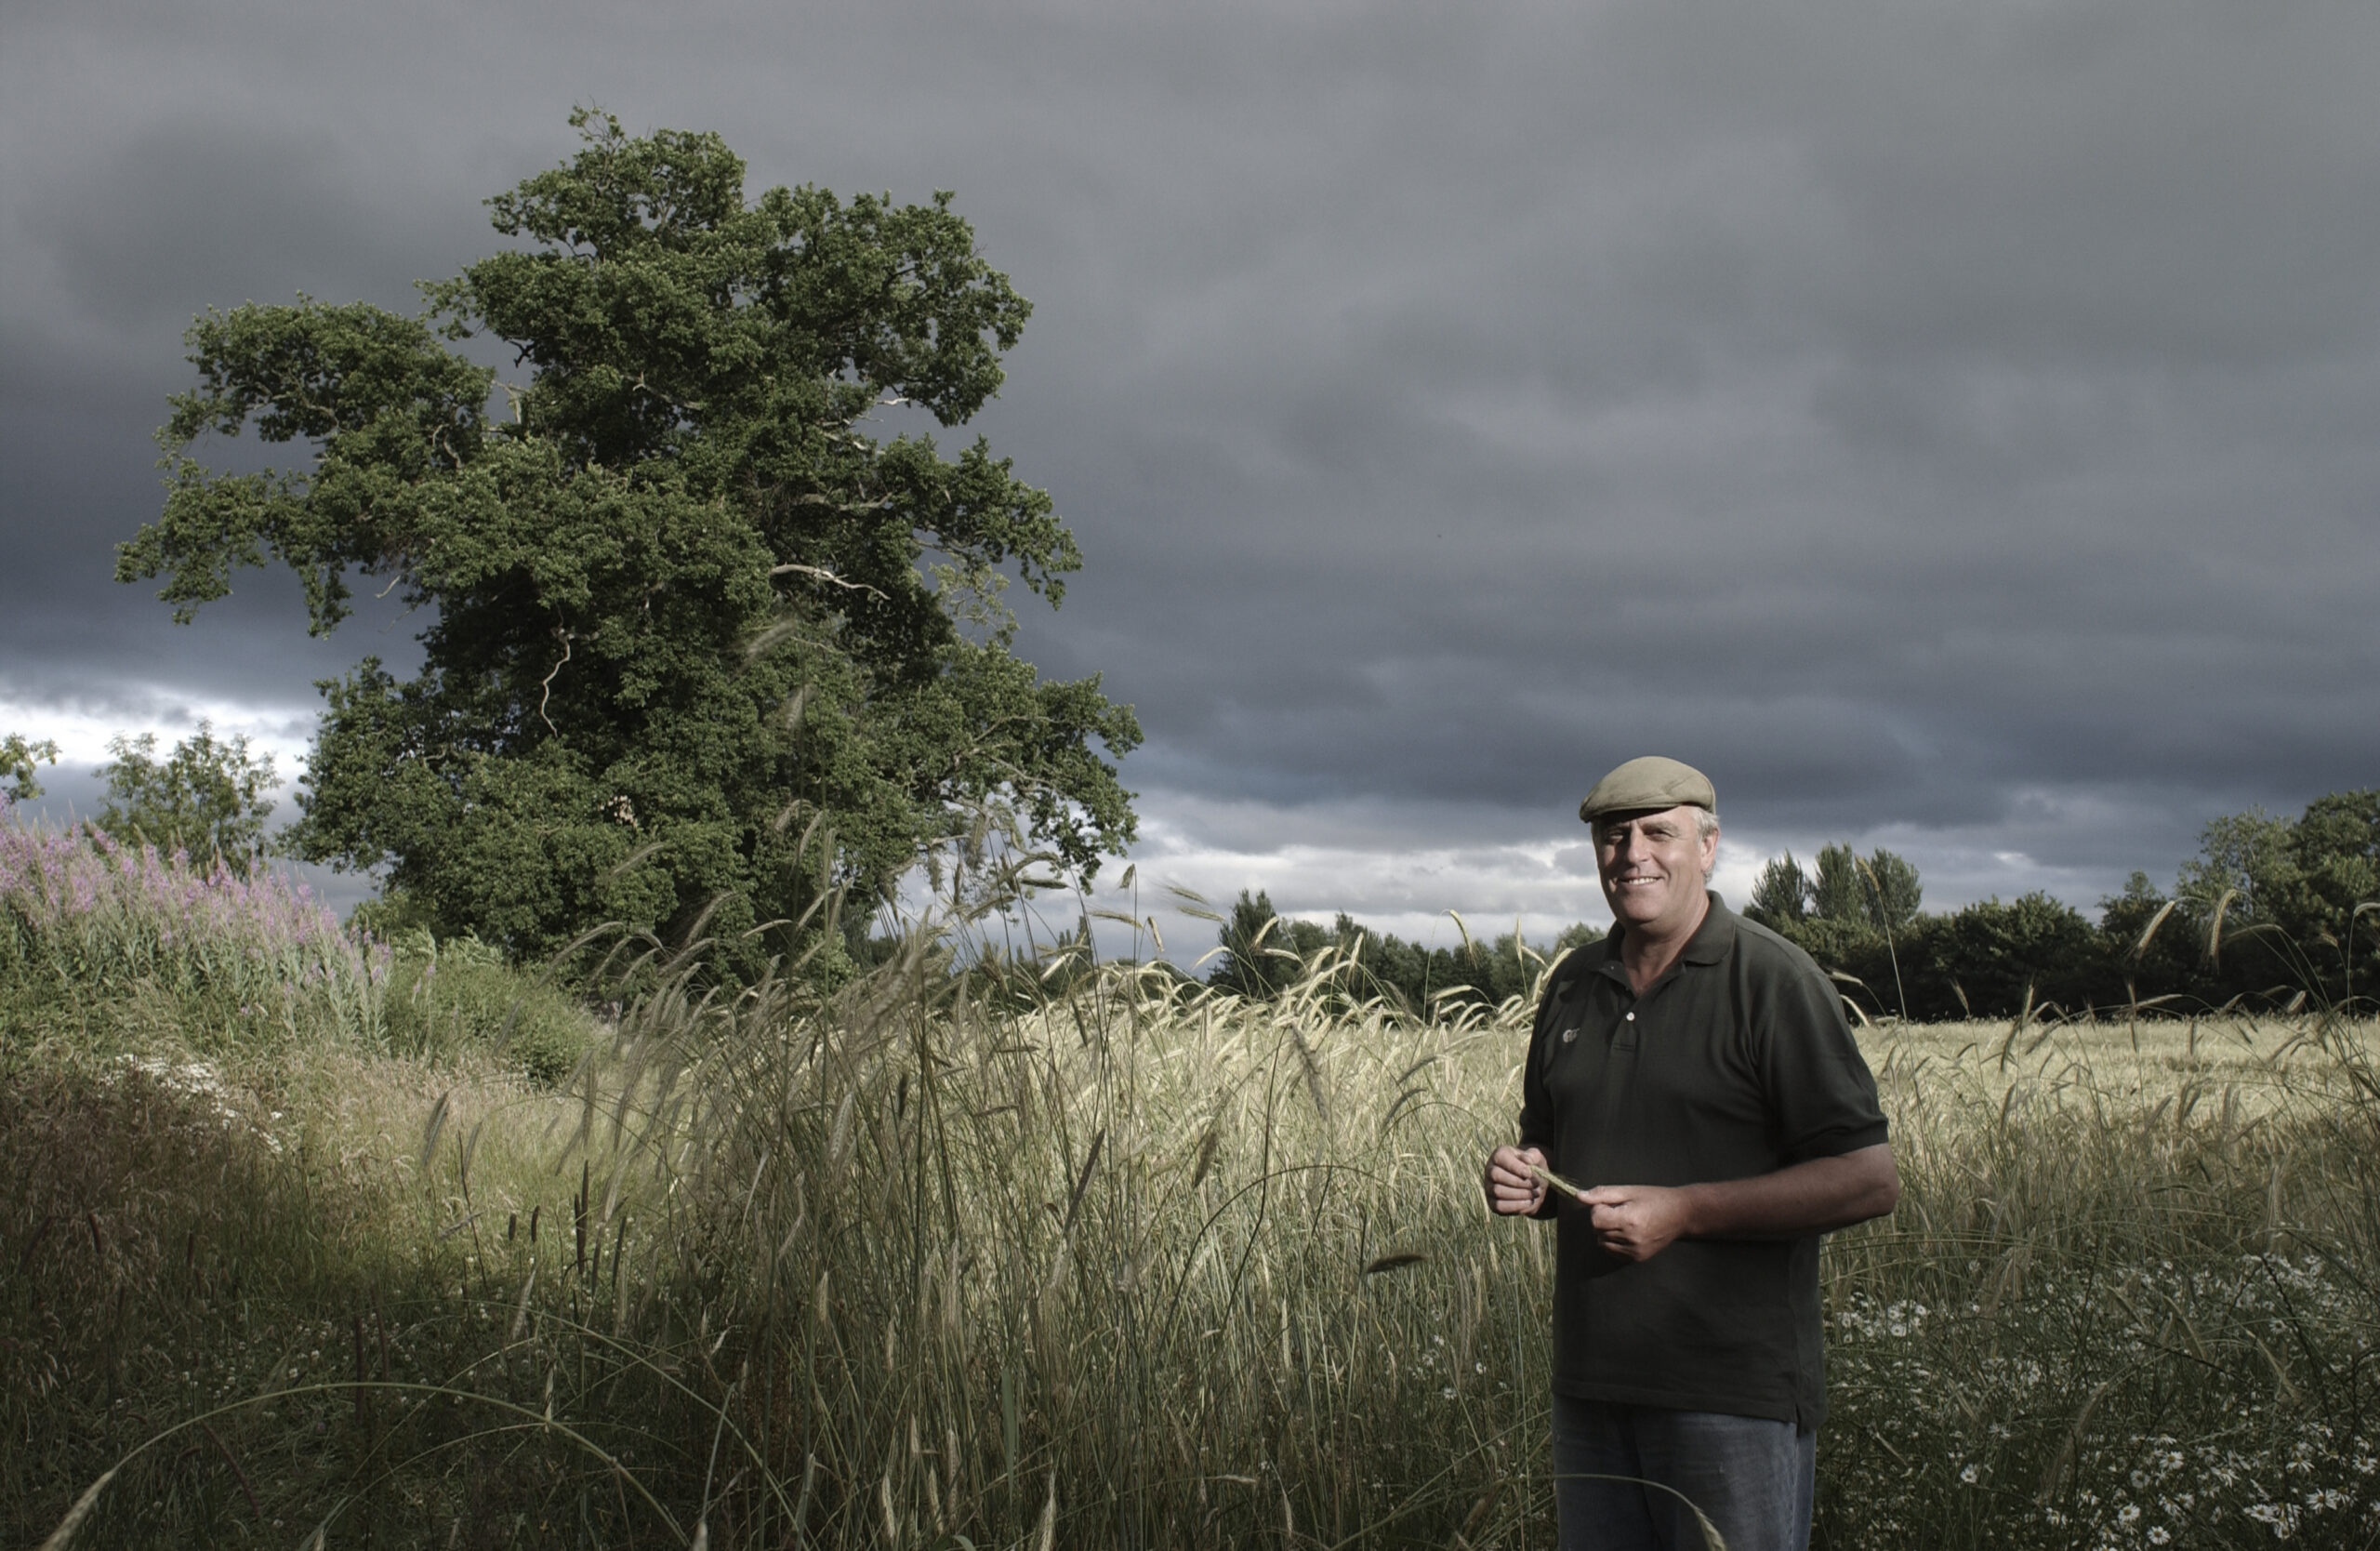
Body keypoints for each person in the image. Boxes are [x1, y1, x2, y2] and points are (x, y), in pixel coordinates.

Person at [1482, 756, 1899, 1551]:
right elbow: (1551, 1141)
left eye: (1657, 832)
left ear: (1707, 847)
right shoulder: (1573, 984)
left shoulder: (1774, 981)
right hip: (1592, 1390)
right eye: (1613, 836)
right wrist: (1526, 1174)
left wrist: (1686, 1212)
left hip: (1732, 1397)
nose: (1632, 853)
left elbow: (1868, 1180)